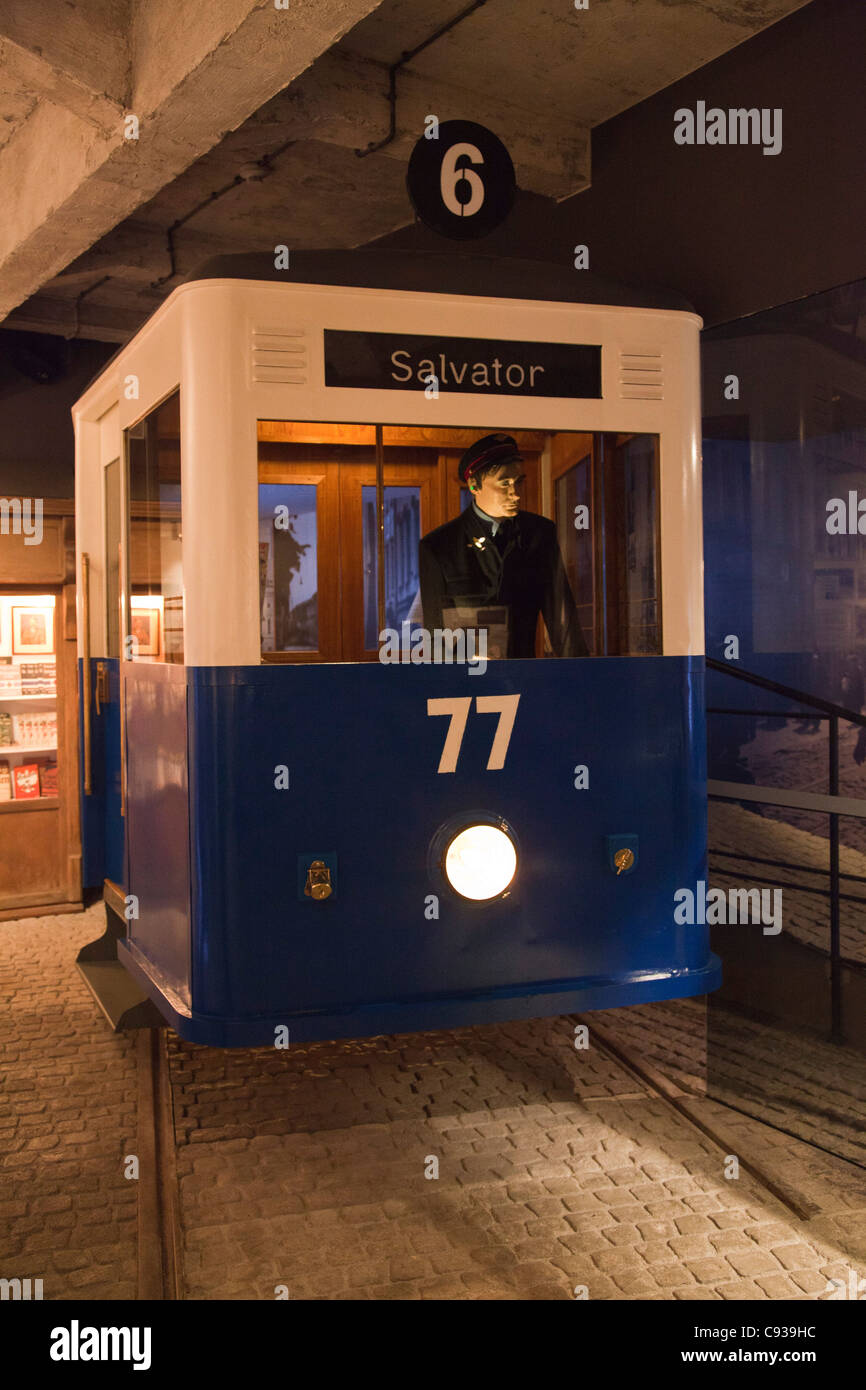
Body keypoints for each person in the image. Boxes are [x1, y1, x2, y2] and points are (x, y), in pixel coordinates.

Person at [418, 433, 587, 658]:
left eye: (519, 482)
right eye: (504, 483)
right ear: (474, 485)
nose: (515, 493)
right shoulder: (439, 546)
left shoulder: (538, 535)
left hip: (523, 677)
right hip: (468, 683)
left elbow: (563, 621)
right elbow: (435, 639)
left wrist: (582, 681)